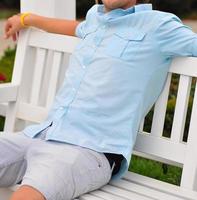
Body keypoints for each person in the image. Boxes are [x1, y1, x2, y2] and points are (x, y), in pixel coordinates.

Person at [2, 0, 197, 200]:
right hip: (40, 134)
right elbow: (73, 27)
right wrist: (26, 19)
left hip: (89, 150)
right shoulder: (95, 19)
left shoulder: (159, 26)